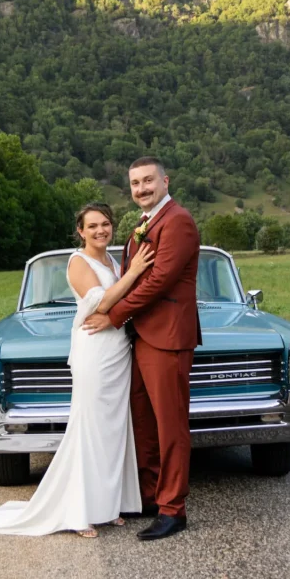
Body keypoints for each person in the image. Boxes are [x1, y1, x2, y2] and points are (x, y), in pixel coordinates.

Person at [0, 203, 153, 538]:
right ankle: (78, 512)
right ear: (80, 230)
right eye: (92, 226)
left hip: (118, 349)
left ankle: (107, 506)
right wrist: (134, 272)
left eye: (105, 224)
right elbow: (101, 303)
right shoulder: (78, 261)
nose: (100, 231)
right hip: (95, 349)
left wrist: (130, 277)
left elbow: (123, 302)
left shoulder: (110, 260)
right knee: (89, 427)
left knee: (114, 428)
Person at [83, 158, 200, 541]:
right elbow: (131, 279)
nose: (142, 188)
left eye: (148, 180)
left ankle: (173, 509)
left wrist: (112, 316)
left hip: (167, 337)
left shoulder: (178, 221)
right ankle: (150, 496)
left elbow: (159, 283)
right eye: (135, 183)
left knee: (170, 427)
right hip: (141, 338)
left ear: (165, 181)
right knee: (144, 424)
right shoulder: (142, 226)